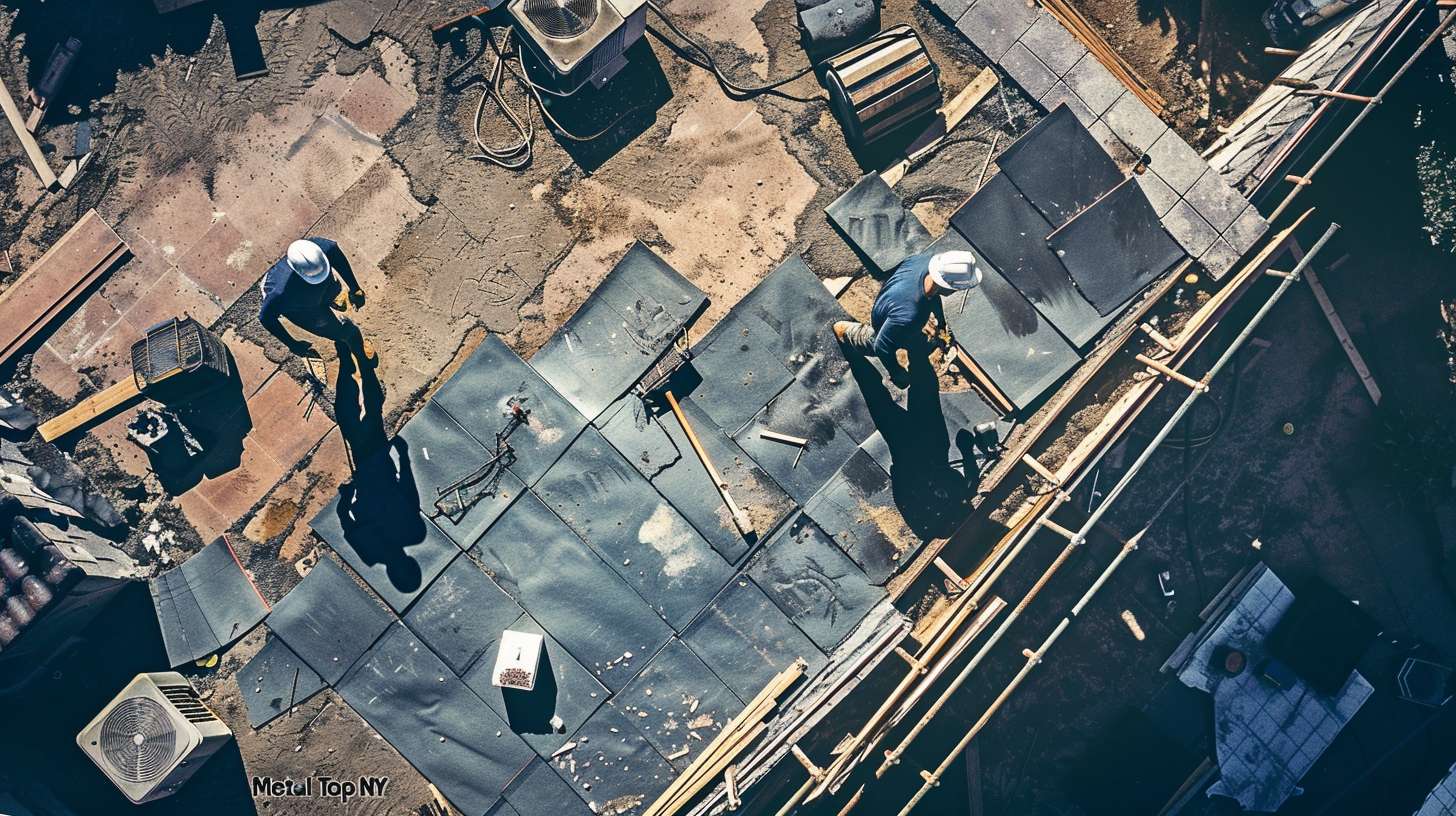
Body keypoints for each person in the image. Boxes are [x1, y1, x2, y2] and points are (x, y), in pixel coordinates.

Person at [833, 250, 985, 386]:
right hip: (887, 319)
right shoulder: (911, 315)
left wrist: (941, 320)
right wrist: (897, 373)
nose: (956, 292)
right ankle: (848, 332)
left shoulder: (925, 260)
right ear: (946, 285)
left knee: (910, 336)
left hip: (893, 298)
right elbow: (882, 347)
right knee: (875, 343)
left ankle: (907, 340)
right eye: (957, 288)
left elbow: (933, 295)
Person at [257, 238, 376, 364]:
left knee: (334, 289)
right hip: (304, 310)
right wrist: (292, 344)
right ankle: (347, 339)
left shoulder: (325, 248)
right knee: (340, 332)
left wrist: (355, 290)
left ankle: (330, 301)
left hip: (325, 289)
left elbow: (339, 260)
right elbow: (266, 317)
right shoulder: (279, 292)